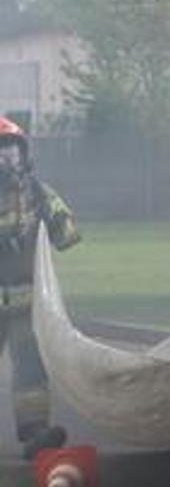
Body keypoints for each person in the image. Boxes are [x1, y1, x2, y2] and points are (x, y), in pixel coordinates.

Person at [0, 118, 81, 459]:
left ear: (23, 153)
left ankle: (35, 433)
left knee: (31, 367)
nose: (6, 158)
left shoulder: (38, 192)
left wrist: (57, 220)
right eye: (1, 150)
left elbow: (67, 236)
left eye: (11, 149)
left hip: (24, 300)